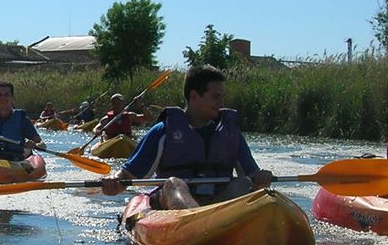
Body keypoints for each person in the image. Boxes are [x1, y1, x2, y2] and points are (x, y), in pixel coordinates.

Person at [100, 65, 272, 209]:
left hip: (218, 206)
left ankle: (210, 225)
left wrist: (261, 178)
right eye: (215, 97)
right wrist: (113, 181)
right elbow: (126, 177)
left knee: (243, 183)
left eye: (222, 97)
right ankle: (195, 221)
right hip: (173, 207)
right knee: (174, 183)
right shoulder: (163, 131)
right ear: (194, 96)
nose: (221, 103)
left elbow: (252, 175)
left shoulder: (231, 133)